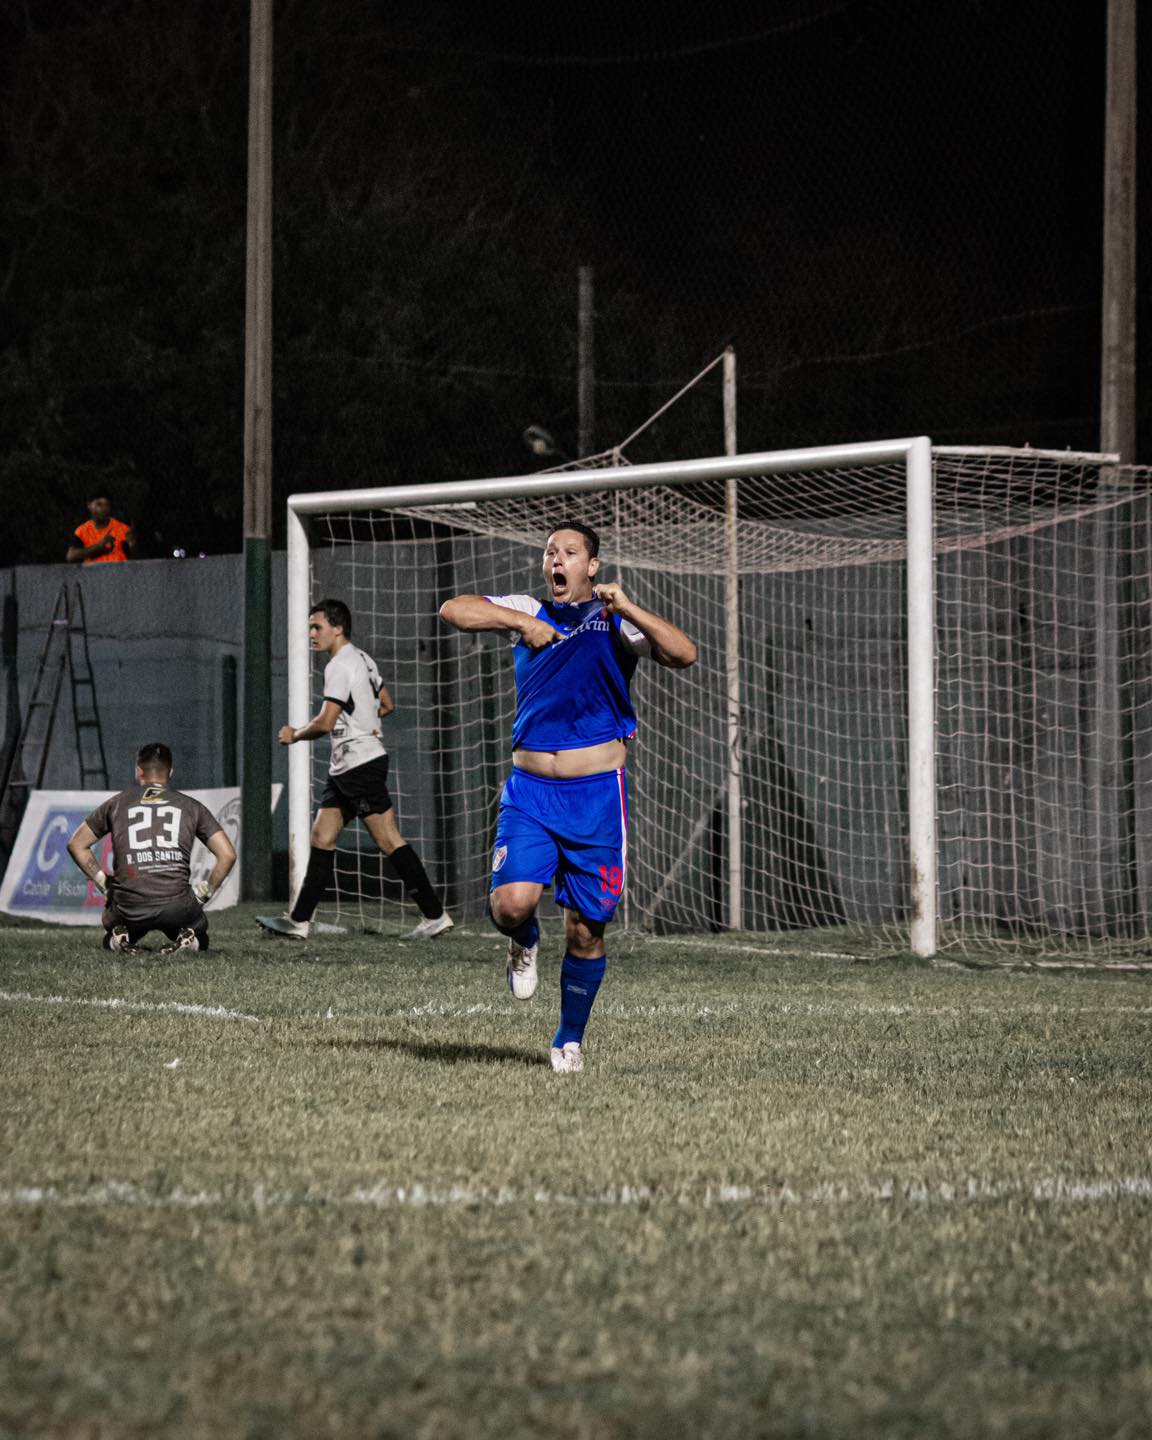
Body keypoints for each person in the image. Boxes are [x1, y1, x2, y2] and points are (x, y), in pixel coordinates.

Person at [439, 522, 697, 1073]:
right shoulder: (526, 609)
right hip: (530, 793)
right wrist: (519, 622)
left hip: (596, 798)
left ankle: (568, 1040)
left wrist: (629, 607)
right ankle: (524, 938)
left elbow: (683, 654)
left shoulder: (614, 622)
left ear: (592, 565)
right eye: (550, 552)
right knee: (510, 905)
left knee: (586, 929)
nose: (557, 560)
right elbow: (452, 610)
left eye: (570, 552)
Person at [257, 597, 453, 941]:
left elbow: (326, 720)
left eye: (317, 627)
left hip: (358, 764)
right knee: (322, 835)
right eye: (309, 628)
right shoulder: (364, 659)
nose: (311, 634)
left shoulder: (339, 664)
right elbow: (387, 705)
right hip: (348, 765)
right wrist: (364, 720)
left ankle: (435, 915)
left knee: (388, 838)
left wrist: (295, 734)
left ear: (338, 628)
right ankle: (299, 921)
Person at [66, 742, 236, 956]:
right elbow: (227, 855)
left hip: (130, 906)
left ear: (138, 772)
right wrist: (203, 894)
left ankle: (119, 940)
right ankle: (189, 940)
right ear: (171, 772)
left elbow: (76, 844)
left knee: (111, 932)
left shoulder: (116, 803)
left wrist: (104, 884)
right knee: (201, 935)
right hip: (177, 905)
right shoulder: (192, 807)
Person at [66, 494, 135, 564]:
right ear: (89, 505)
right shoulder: (82, 531)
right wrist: (98, 547)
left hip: (118, 573)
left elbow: (136, 559)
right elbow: (71, 556)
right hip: (93, 573)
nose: (104, 508)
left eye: (107, 505)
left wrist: (132, 545)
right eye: (99, 504)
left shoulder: (122, 528)